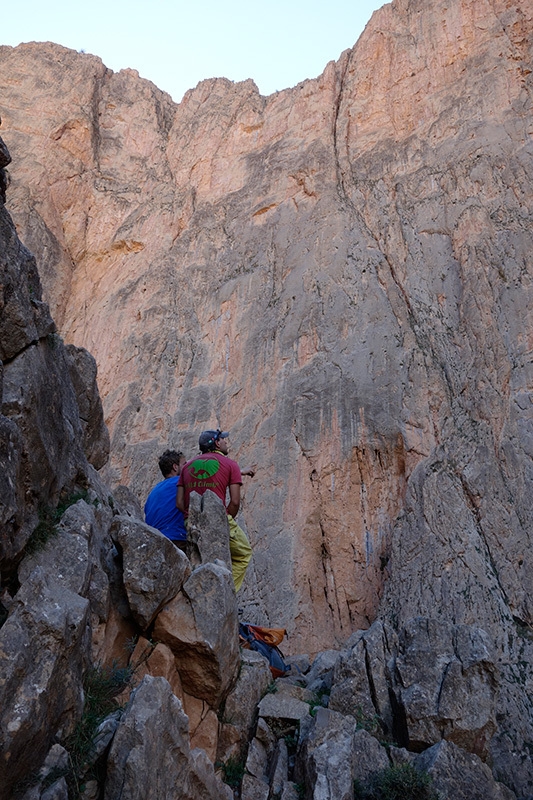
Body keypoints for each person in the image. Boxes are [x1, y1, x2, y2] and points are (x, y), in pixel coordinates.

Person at [177, 429, 253, 591]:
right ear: (217, 443)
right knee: (243, 553)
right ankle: (227, 593)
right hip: (217, 520)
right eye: (223, 440)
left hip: (191, 521)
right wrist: (224, 519)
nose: (226, 442)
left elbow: (179, 502)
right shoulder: (230, 464)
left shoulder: (187, 467)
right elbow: (234, 501)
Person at [144, 449, 188, 543]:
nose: (188, 467)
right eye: (184, 464)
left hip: (154, 540)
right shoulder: (181, 482)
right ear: (175, 467)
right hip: (176, 538)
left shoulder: (154, 491)